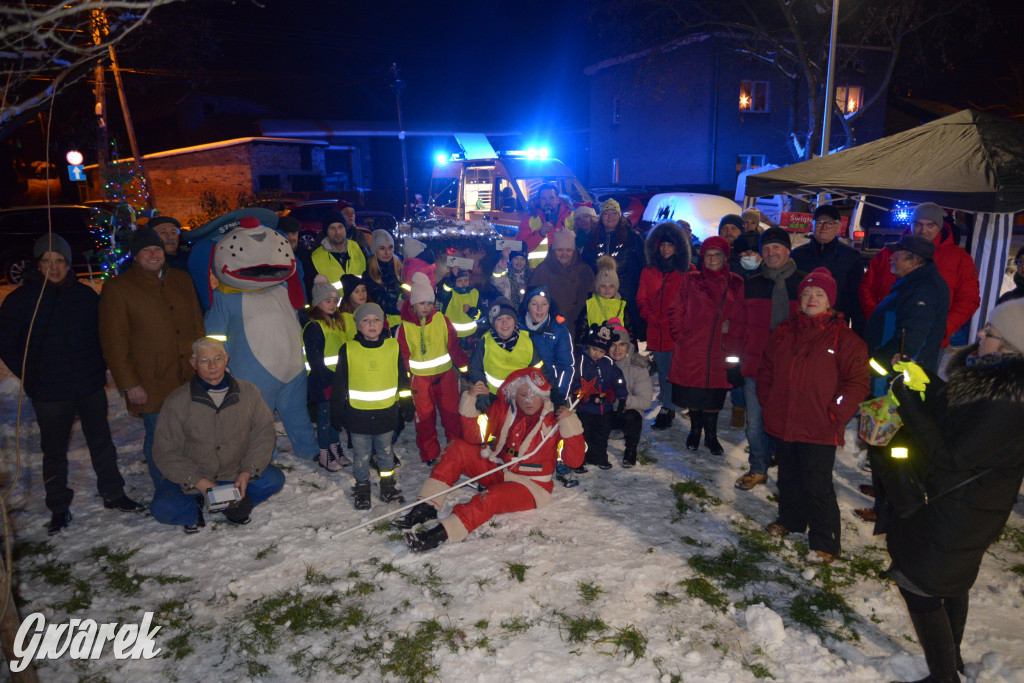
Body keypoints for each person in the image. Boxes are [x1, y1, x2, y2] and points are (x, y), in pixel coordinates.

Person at [883, 297, 1024, 683]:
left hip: (961, 508)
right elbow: (952, 415)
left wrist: (906, 399)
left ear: (1012, 345)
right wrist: (921, 378)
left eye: (990, 332)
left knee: (919, 588)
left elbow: (953, 455)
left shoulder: (1009, 399)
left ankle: (943, 676)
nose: (980, 334)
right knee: (951, 582)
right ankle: (952, 662)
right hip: (965, 503)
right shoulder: (989, 374)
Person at [0, 235, 143, 535]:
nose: (54, 267)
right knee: (53, 452)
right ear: (37, 265)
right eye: (47, 261)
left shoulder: (85, 296)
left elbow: (103, 336)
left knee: (102, 443)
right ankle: (58, 506)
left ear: (68, 264)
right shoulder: (21, 300)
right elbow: (8, 345)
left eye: (60, 261)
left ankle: (113, 493)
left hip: (88, 386)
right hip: (50, 393)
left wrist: (99, 368)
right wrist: (32, 379)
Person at [395, 367, 585, 551]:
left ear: (543, 395)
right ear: (513, 394)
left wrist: (570, 423)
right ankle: (426, 506)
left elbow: (574, 461)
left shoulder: (555, 420)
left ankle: (440, 534)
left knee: (488, 499)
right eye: (523, 395)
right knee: (458, 448)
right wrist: (470, 398)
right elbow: (472, 438)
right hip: (500, 470)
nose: (529, 401)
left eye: (535, 395)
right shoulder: (504, 410)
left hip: (531, 486)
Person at [758, 269, 869, 565]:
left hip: (820, 423)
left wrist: (836, 411)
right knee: (789, 476)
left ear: (829, 301)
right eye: (807, 293)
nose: (812, 299)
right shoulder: (784, 332)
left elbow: (857, 383)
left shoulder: (845, 338)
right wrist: (769, 402)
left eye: (819, 294)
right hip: (783, 420)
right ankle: (791, 520)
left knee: (817, 483)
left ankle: (826, 542)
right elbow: (766, 371)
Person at [99, 227, 205, 490]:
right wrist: (129, 384)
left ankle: (195, 485)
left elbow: (196, 324)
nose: (153, 254)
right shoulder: (118, 288)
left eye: (156, 248)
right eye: (145, 250)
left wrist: (203, 364)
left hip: (188, 375)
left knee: (192, 435)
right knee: (161, 438)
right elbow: (114, 342)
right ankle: (169, 492)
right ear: (135, 256)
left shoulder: (181, 279)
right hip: (151, 380)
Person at [856, 235, 951, 524]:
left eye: (898, 255)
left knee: (893, 445)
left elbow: (908, 345)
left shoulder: (923, 288)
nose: (892, 258)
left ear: (914, 260)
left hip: (898, 384)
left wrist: (873, 366)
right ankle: (885, 489)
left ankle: (889, 505)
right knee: (885, 442)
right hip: (893, 381)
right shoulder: (915, 283)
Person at [151, 337, 285, 533]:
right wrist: (201, 483)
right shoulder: (177, 400)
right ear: (193, 363)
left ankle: (232, 505)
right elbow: (165, 450)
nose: (212, 365)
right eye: (204, 361)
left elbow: (263, 433)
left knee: (274, 480)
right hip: (195, 477)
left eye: (218, 358)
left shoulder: (248, 392)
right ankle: (194, 507)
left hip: (234, 472)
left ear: (226, 359)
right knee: (163, 509)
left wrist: (247, 471)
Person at [732, 228, 806, 490]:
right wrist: (734, 363)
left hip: (793, 368)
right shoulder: (752, 284)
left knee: (786, 422)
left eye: (776, 248)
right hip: (756, 367)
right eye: (766, 249)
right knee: (755, 424)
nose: (771, 253)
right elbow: (738, 327)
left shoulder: (805, 284)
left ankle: (787, 470)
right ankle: (758, 467)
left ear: (788, 251)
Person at [859, 202, 979, 347]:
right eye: (917, 224)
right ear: (910, 224)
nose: (923, 230)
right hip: (886, 332)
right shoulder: (887, 254)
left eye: (930, 225)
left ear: (939, 227)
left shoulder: (959, 258)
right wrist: (876, 316)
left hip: (929, 339)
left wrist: (944, 327)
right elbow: (867, 287)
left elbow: (968, 299)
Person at [668, 236, 745, 456]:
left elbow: (743, 313)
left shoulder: (736, 282)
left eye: (717, 254)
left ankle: (711, 436)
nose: (713, 259)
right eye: (708, 255)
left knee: (714, 394)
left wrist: (732, 328)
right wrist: (680, 334)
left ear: (725, 257)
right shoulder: (691, 279)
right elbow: (676, 309)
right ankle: (694, 431)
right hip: (692, 346)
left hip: (720, 348)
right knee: (694, 393)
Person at [329, 303, 411, 510]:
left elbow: (402, 378)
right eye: (365, 320)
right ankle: (362, 487)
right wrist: (337, 411)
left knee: (385, 452)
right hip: (358, 417)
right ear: (358, 326)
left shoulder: (393, 346)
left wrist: (407, 402)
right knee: (361, 455)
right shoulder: (348, 349)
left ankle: (387, 485)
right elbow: (339, 384)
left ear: (383, 324)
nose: (371, 324)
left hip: (386, 414)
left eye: (376, 319)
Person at [395, 273, 468, 465]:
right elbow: (402, 358)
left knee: (451, 415)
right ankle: (430, 452)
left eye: (429, 303)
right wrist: (404, 385)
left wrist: (465, 367)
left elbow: (454, 347)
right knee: (425, 420)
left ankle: (455, 449)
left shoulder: (443, 321)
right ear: (413, 304)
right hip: (419, 380)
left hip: (446, 377)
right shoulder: (403, 328)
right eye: (422, 303)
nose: (426, 307)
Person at [637, 221, 692, 431]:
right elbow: (641, 297)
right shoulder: (649, 270)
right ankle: (669, 405)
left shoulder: (686, 271)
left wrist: (673, 321)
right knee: (663, 371)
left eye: (670, 245)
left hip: (677, 331)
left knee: (675, 371)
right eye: (662, 245)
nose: (666, 249)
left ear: (678, 247)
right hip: (656, 329)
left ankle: (671, 406)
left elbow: (689, 302)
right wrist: (651, 316)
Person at [465, 297, 553, 415]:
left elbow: (540, 370)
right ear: (493, 322)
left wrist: (553, 391)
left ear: (514, 321)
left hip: (522, 399)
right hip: (494, 397)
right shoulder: (484, 343)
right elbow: (475, 369)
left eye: (509, 318)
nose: (505, 323)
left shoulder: (526, 341)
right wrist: (482, 391)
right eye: (499, 319)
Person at [790, 205, 866, 334]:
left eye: (830, 223)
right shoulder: (797, 255)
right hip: (802, 326)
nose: (824, 226)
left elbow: (856, 297)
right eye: (820, 222)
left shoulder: (851, 257)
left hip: (836, 326)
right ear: (812, 225)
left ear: (838, 227)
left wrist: (858, 331)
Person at [302, 275, 351, 472]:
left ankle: (335, 448)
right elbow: (315, 359)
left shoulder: (335, 323)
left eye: (334, 301)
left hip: (336, 379)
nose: (332, 305)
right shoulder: (314, 326)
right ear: (317, 302)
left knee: (335, 417)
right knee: (325, 418)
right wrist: (326, 381)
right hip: (322, 380)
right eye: (327, 301)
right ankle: (324, 453)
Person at [570, 323, 627, 472]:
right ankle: (580, 459)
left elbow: (618, 379)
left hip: (604, 408)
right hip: (586, 408)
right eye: (594, 349)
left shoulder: (608, 363)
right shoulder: (580, 362)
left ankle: (598, 456)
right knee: (585, 434)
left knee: (602, 434)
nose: (597, 354)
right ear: (589, 346)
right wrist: (588, 396)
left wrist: (621, 397)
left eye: (601, 351)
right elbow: (574, 383)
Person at [583, 199, 645, 331]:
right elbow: (586, 267)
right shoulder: (592, 238)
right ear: (600, 217)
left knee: (626, 335)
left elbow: (644, 265)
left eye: (614, 213)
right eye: (606, 213)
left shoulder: (633, 238)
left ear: (620, 215)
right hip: (600, 298)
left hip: (628, 297)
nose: (610, 217)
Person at [528, 228, 594, 331]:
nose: (564, 254)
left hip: (578, 326)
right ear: (553, 251)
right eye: (560, 250)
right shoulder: (543, 270)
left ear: (574, 251)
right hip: (550, 326)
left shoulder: (584, 270)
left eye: (568, 250)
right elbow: (531, 300)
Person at [607, 320, 653, 467]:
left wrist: (623, 401)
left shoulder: (637, 365)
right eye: (613, 345)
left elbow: (645, 401)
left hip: (624, 411)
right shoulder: (599, 362)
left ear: (628, 346)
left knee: (633, 415)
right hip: (604, 413)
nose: (617, 349)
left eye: (622, 344)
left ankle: (631, 450)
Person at [520, 286, 575, 400]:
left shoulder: (559, 330)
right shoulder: (516, 327)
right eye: (534, 304)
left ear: (549, 306)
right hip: (521, 388)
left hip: (549, 389)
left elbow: (565, 366)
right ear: (527, 306)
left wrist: (559, 394)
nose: (540, 309)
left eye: (544, 304)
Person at [306, 210, 367, 299]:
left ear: (345, 229)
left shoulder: (359, 250)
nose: (337, 232)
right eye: (332, 228)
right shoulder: (315, 258)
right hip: (334, 311)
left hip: (360, 309)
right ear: (326, 232)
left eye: (340, 227)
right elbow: (313, 294)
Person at [576, 255, 631, 341]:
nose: (607, 289)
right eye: (603, 286)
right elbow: (581, 331)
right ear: (597, 287)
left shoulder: (623, 306)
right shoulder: (589, 305)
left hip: (618, 351)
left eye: (611, 286)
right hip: (595, 351)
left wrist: (632, 349)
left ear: (616, 288)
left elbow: (630, 331)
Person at [515, 183, 575, 257]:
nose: (547, 202)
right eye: (543, 198)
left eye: (551, 198)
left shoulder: (573, 217)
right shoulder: (529, 221)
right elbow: (519, 249)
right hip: (538, 268)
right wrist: (540, 234)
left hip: (567, 267)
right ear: (539, 200)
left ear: (558, 199)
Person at [363, 229, 403, 329]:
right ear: (375, 250)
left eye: (390, 247)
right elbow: (380, 301)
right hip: (386, 324)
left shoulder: (401, 266)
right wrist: (401, 306)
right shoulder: (370, 273)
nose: (387, 252)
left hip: (407, 321)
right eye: (382, 248)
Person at [437, 266, 482, 350]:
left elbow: (481, 313)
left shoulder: (474, 293)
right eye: (459, 280)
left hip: (470, 335)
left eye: (466, 280)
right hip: (452, 335)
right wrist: (451, 279)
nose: (463, 283)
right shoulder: (449, 294)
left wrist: (471, 311)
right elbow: (441, 295)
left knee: (468, 359)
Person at [491, 245, 531, 311]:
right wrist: (504, 259)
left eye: (522, 259)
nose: (519, 262)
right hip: (510, 311)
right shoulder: (506, 276)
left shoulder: (531, 276)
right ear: (511, 260)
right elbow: (496, 281)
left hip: (528, 312)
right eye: (516, 258)